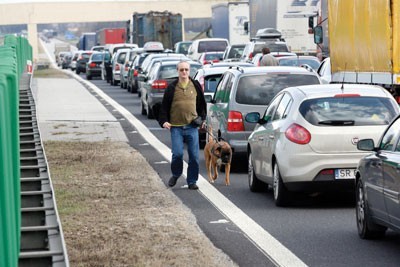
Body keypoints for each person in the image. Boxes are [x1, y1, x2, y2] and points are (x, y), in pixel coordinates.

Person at [158, 61, 207, 190]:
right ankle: (176, 174)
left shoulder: (195, 85)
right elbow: (164, 107)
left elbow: (202, 104)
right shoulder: (172, 88)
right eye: (181, 70)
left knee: (194, 156)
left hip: (192, 127)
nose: (184, 72)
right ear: (177, 71)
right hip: (176, 127)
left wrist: (202, 119)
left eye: (186, 69)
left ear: (189, 71)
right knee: (178, 154)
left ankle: (192, 181)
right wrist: (164, 121)